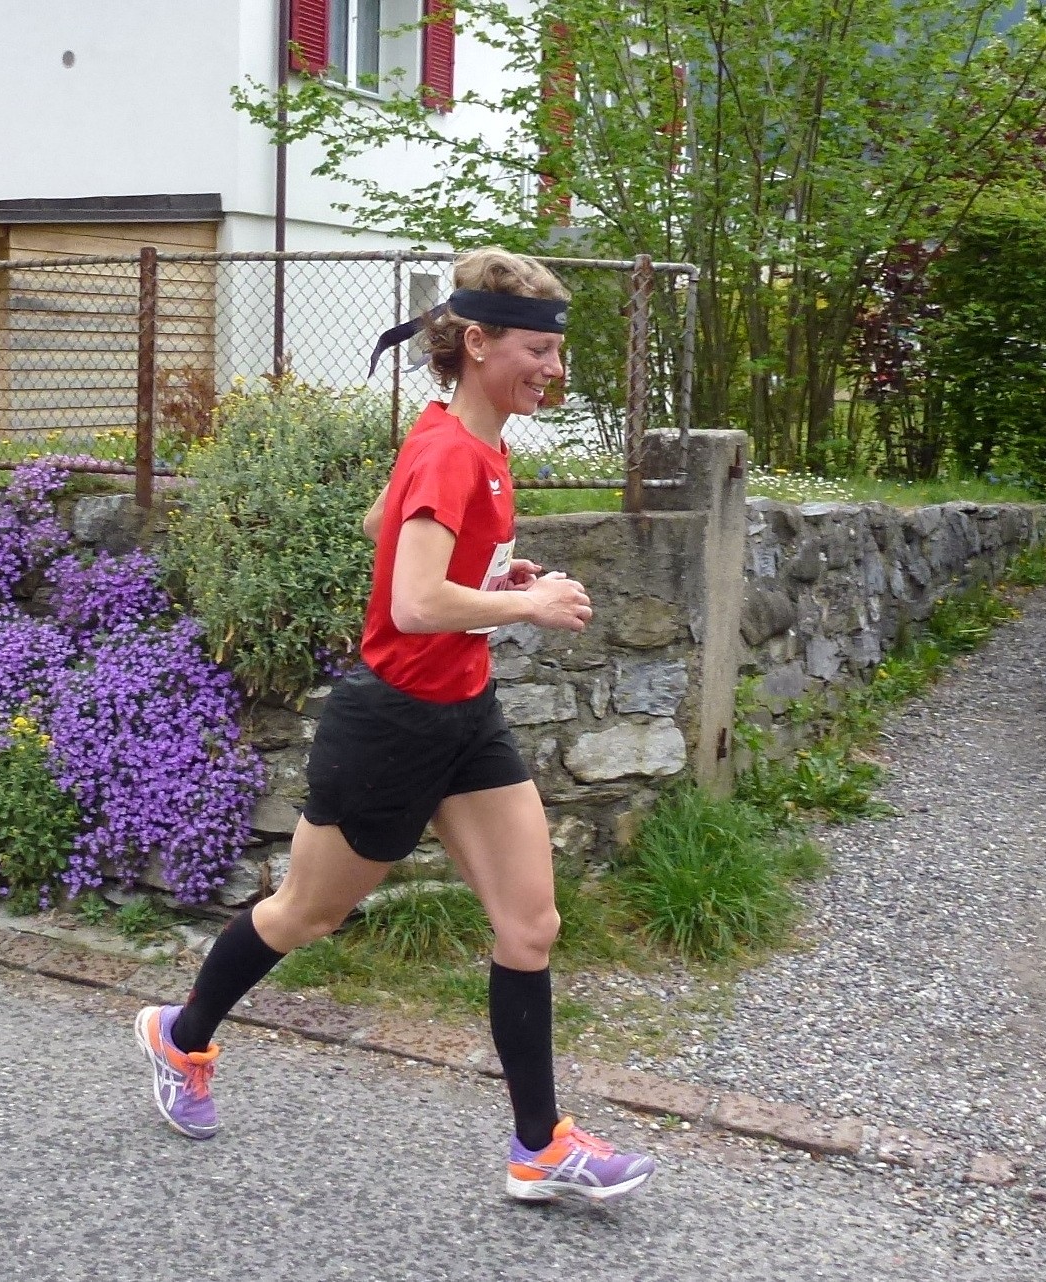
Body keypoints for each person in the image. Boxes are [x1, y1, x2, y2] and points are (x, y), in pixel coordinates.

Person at [135, 247, 656, 1203]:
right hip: (387, 727)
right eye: (536, 351)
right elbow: (414, 604)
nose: (554, 369)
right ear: (475, 341)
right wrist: (525, 608)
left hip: (463, 719)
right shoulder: (450, 448)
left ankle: (538, 1147)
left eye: (557, 352)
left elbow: (388, 526)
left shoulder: (466, 440)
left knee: (528, 925)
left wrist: (492, 577)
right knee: (307, 914)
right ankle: (183, 1034)